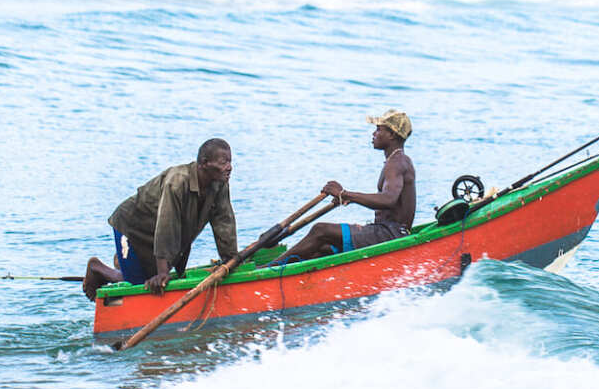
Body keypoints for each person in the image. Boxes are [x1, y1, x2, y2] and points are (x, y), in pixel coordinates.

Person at [82, 139, 238, 300]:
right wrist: (163, 273)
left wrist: (231, 261)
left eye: (230, 161)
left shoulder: (219, 184)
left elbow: (224, 222)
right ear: (205, 163)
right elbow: (166, 225)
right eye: (223, 162)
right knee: (140, 287)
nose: (229, 167)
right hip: (133, 229)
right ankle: (98, 268)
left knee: (150, 279)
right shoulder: (177, 182)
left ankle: (125, 263)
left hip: (157, 235)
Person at [274, 111, 415, 264]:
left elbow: (388, 200)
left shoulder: (396, 162)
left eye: (379, 129)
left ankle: (268, 269)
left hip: (390, 235)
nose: (374, 134)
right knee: (323, 247)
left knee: (320, 230)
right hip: (388, 232)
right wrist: (346, 197)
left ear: (392, 135)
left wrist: (345, 194)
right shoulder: (397, 160)